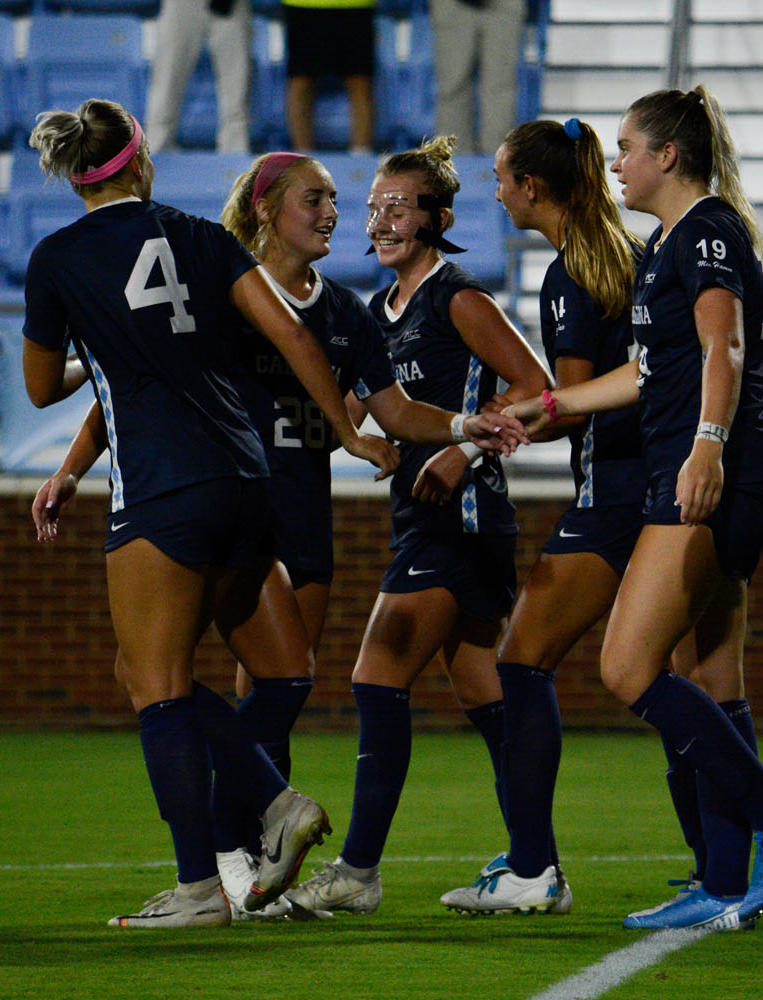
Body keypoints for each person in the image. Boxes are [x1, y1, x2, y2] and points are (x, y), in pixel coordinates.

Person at [31, 150, 526, 917]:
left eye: (335, 200)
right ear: (266, 209)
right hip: (238, 505)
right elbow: (133, 385)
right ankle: (243, 842)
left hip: (291, 516)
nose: (334, 213)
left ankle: (247, 848)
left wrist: (461, 429)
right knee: (174, 676)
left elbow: (392, 411)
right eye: (315, 199)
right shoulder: (219, 290)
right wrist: (70, 468)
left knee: (273, 686)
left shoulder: (347, 314)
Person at [20, 98, 398, 928]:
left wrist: (97, 352)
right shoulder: (200, 236)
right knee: (280, 672)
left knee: (153, 686)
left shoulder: (57, 259)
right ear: (139, 161)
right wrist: (349, 433)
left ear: (78, 177)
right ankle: (271, 805)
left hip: (162, 487)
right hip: (247, 479)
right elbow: (294, 336)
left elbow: (42, 387)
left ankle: (203, 883)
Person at [503, 87, 763, 932]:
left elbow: (726, 344)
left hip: (715, 470)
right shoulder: (664, 245)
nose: (615, 164)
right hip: (709, 467)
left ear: (667, 156)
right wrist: (550, 407)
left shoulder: (707, 230)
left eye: (626, 148)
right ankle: (724, 881)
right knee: (709, 675)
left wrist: (707, 444)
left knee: (626, 667)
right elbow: (647, 371)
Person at [283, 135, 552, 917]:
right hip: (421, 519)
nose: (380, 221)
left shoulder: (457, 298)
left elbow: (536, 387)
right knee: (486, 693)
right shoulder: (376, 313)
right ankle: (538, 865)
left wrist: (464, 451)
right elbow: (350, 413)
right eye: (373, 208)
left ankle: (358, 871)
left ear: (438, 218)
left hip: (461, 519)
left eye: (398, 207)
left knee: (376, 678)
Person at [435, 116, 645, 914]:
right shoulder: (630, 253)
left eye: (501, 179)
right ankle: (727, 860)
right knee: (695, 676)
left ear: (532, 187)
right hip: (664, 485)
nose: (495, 193)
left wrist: (490, 428)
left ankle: (533, 870)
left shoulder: (572, 272)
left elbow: (574, 402)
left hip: (615, 489)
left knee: (521, 662)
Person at [144, 0, 251, 155]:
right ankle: (156, 153)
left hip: (231, 5)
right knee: (167, 82)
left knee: (237, 92)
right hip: (183, 4)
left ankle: (235, 156)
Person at [430, 0, 525, 155]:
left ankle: (498, 161)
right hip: (452, 6)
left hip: (504, 6)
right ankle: (454, 160)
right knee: (452, 86)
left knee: (500, 86)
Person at [282, 0, 374, 153]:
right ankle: (302, 156)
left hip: (355, 5)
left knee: (359, 79)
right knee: (300, 79)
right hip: (303, 5)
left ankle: (361, 156)